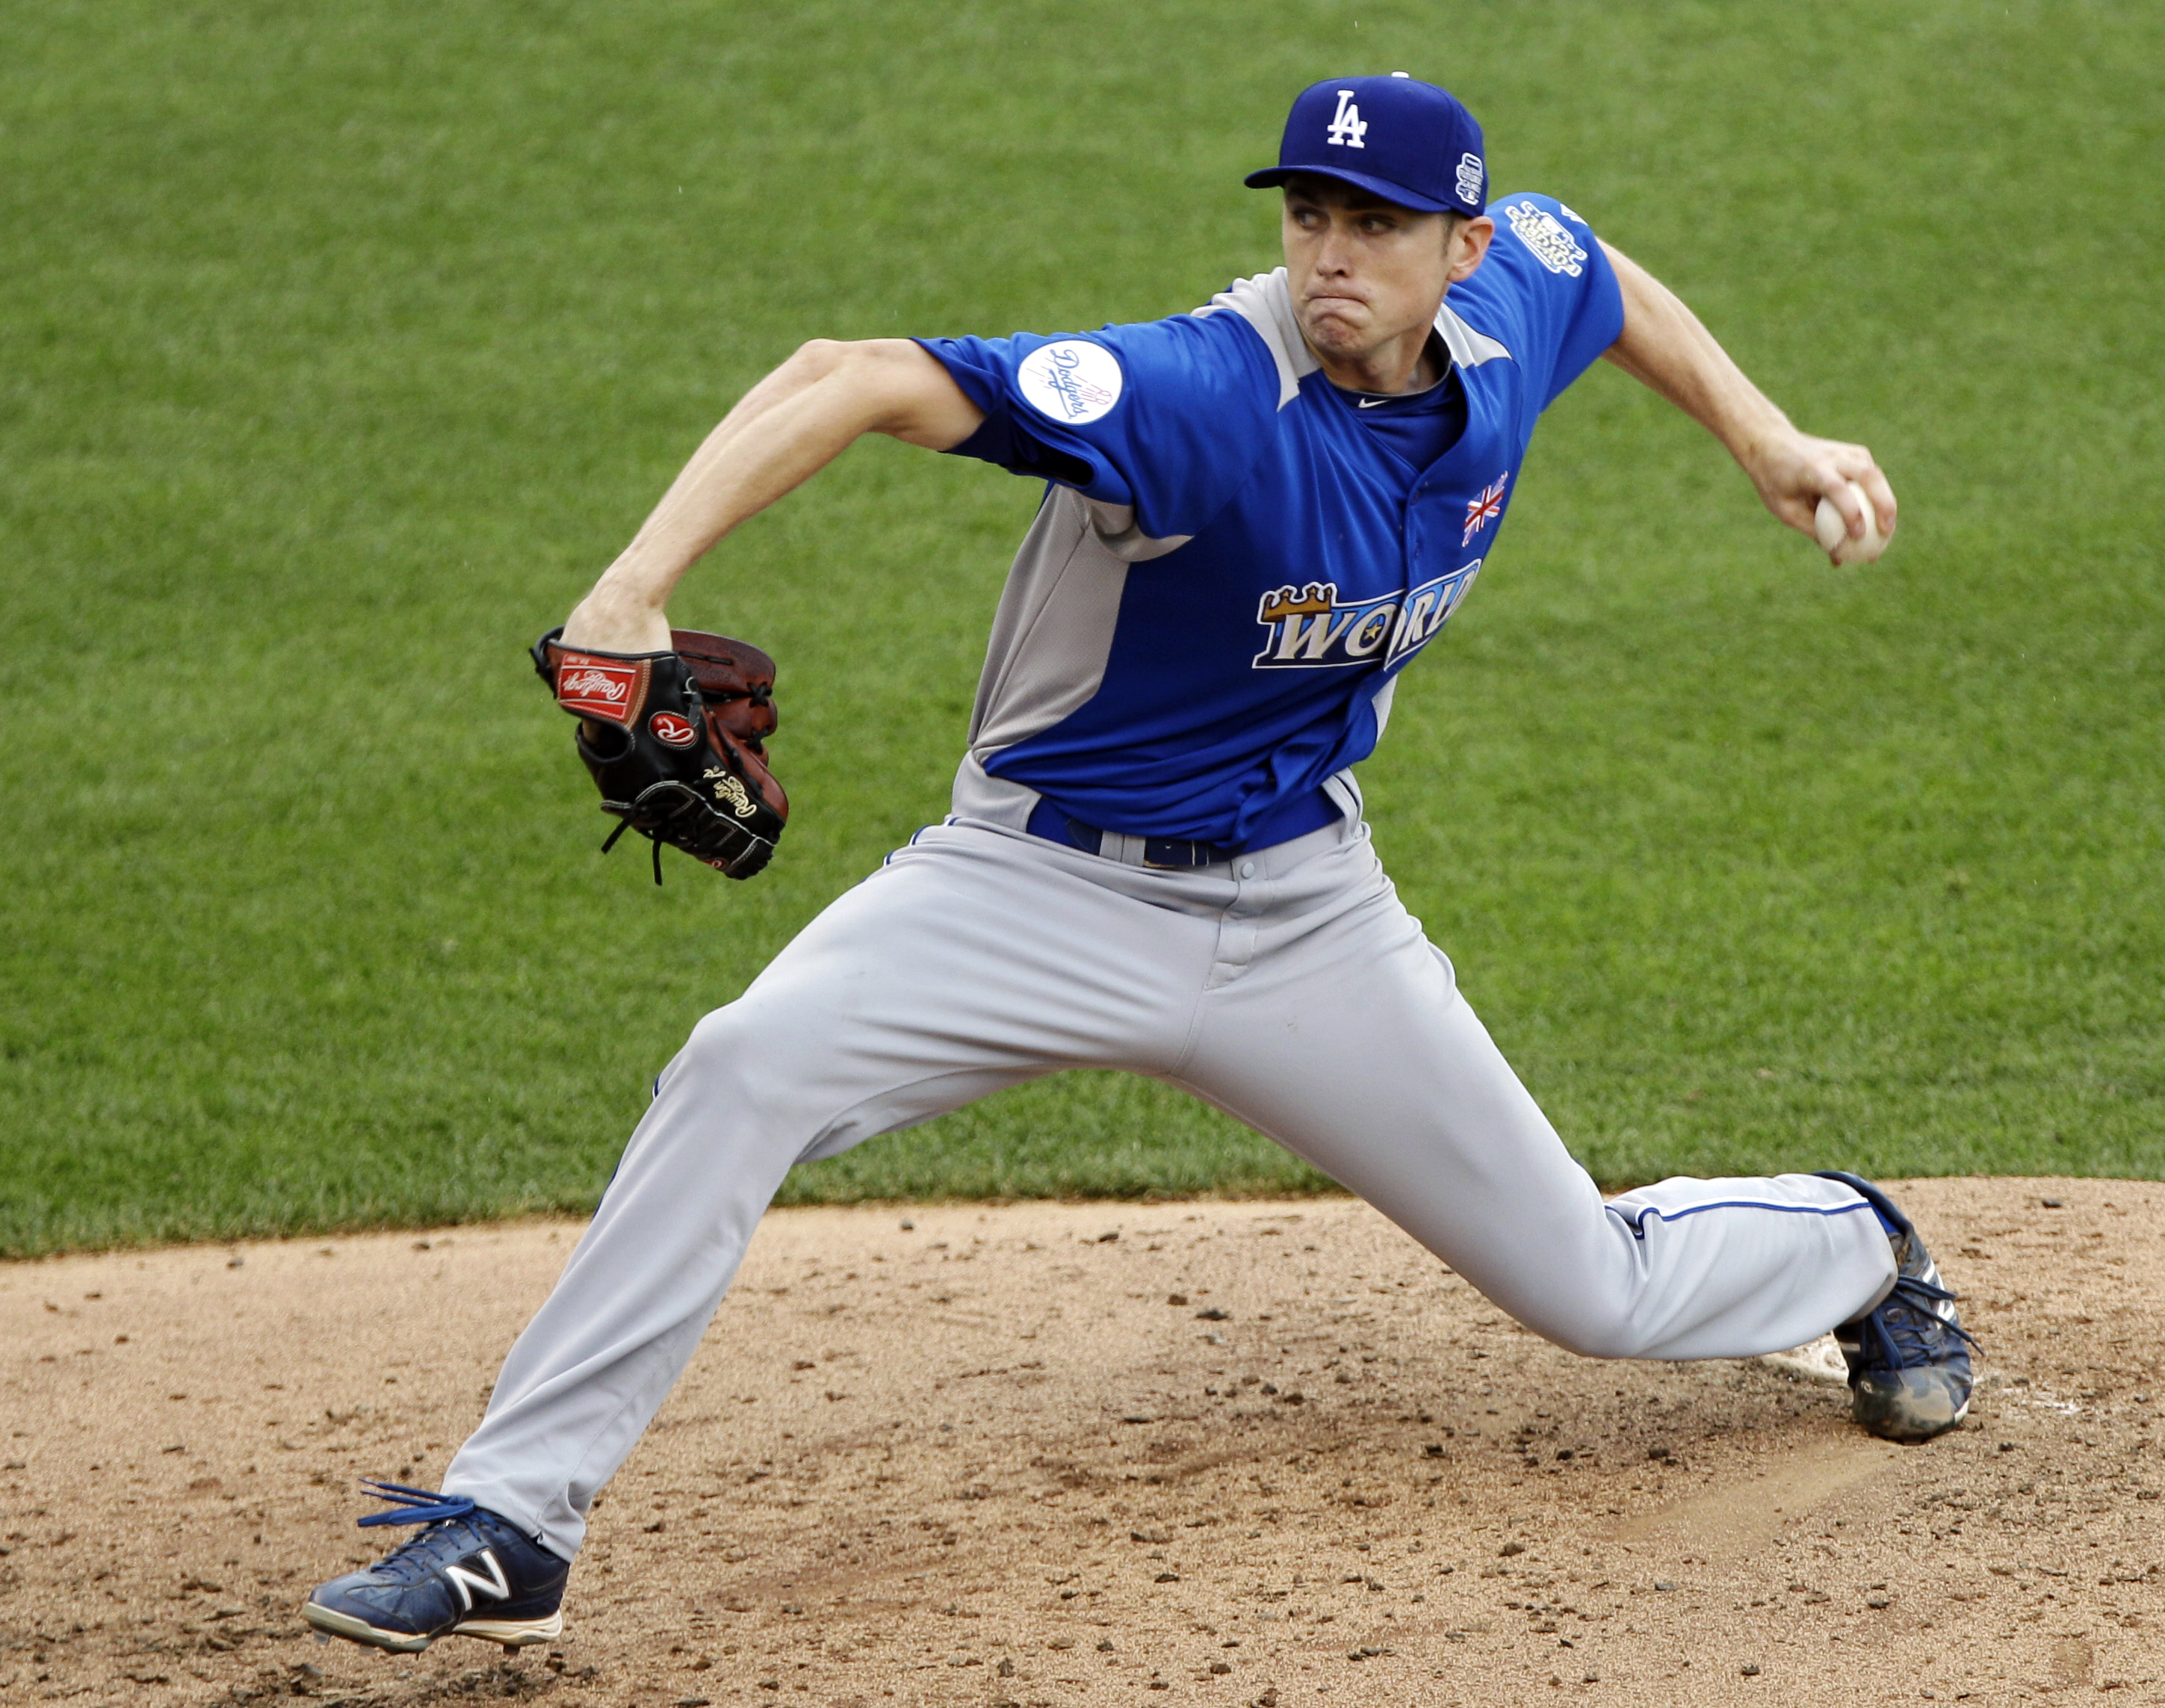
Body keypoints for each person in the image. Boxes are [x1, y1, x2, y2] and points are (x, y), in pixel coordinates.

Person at [302, 73, 1972, 1656]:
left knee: (1595, 1290)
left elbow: (1589, 258)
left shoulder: (1507, 309)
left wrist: (1764, 436)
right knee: (741, 1069)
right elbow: (848, 373)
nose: (1332, 250)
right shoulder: (1192, 395)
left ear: (1457, 252)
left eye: (1378, 223)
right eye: (1311, 210)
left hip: (1307, 913)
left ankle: (1858, 1242)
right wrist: (630, 589)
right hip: (1032, 893)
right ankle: (515, 1523)